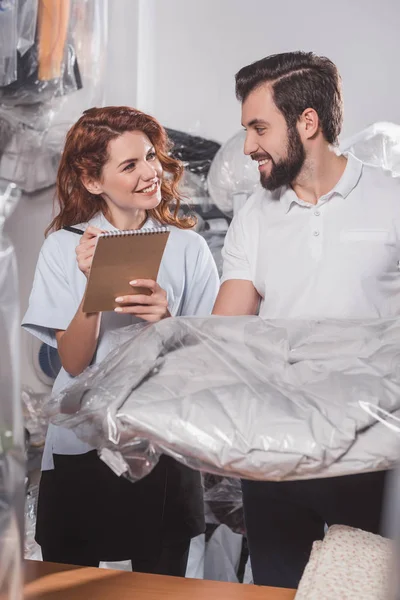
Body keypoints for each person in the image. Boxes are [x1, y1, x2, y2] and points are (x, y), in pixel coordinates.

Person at [213, 51, 400, 588]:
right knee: (278, 591)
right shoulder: (255, 214)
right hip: (275, 455)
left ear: (308, 123)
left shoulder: (390, 201)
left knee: (364, 591)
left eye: (258, 127)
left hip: (370, 456)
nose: (249, 146)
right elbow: (229, 330)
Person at [22, 106, 220, 575]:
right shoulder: (63, 248)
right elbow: (72, 362)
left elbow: (213, 359)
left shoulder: (188, 248)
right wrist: (94, 287)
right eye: (130, 165)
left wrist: (167, 321)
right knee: (70, 582)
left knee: (161, 585)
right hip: (81, 445)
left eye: (150, 157)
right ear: (93, 181)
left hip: (162, 443)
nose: (151, 173)